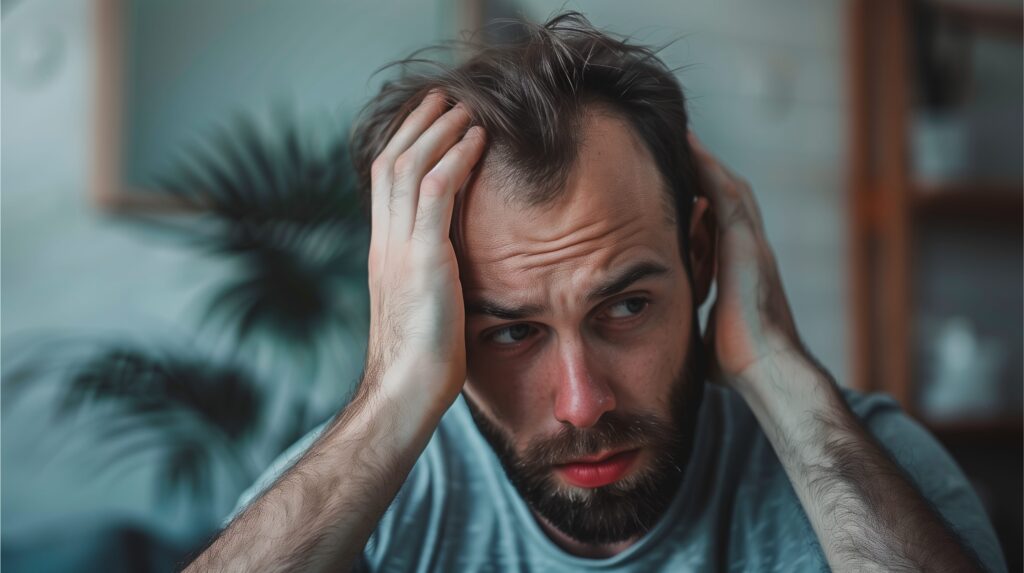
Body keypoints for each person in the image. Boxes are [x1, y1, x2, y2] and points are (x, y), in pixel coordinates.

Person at [184, 12, 1005, 572]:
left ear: (700, 257)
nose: (582, 403)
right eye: (511, 332)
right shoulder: (370, 502)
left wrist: (779, 370)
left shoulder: (876, 467)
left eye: (626, 306)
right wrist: (393, 393)